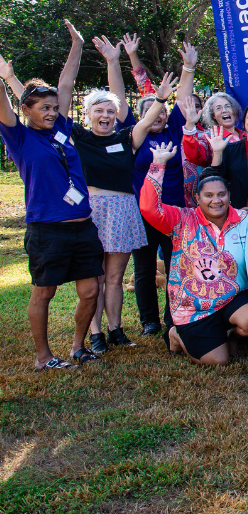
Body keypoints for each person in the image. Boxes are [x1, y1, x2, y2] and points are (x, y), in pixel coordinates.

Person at [0, 25, 105, 369]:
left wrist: (76, 45)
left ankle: (78, 347)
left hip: (83, 226)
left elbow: (67, 84)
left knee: (90, 291)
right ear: (26, 110)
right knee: (44, 293)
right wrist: (5, 77)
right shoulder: (18, 137)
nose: (50, 112)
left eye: (54, 108)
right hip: (48, 229)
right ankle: (43, 357)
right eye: (43, 107)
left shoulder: (59, 129)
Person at [76, 36, 170, 352]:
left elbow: (145, 121)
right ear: (89, 113)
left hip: (123, 209)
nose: (104, 116)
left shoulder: (126, 138)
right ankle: (95, 333)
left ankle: (115, 330)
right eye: (99, 111)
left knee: (115, 277)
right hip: (92, 210)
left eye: (109, 112)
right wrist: (112, 61)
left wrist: (159, 99)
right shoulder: (80, 139)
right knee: (95, 277)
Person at [139, 143, 248, 365]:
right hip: (194, 307)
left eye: (221, 194)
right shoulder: (182, 220)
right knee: (217, 361)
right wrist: (159, 163)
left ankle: (230, 336)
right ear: (198, 198)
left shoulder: (247, 221)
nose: (216, 200)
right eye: (208, 195)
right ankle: (176, 334)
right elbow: (150, 209)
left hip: (232, 296)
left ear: (229, 195)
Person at [126, 41, 198, 336]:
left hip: (174, 212)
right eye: (152, 112)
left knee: (174, 266)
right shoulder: (136, 136)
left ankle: (173, 318)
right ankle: (149, 322)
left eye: (162, 112)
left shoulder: (173, 129)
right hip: (142, 212)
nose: (159, 116)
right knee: (143, 269)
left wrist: (188, 67)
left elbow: (182, 98)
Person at [199, 103, 248, 302]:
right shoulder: (230, 150)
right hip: (234, 221)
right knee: (234, 270)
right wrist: (217, 153)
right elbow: (212, 180)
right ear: (243, 123)